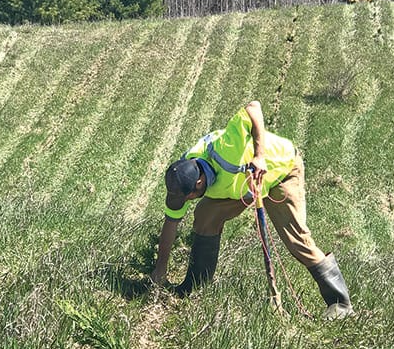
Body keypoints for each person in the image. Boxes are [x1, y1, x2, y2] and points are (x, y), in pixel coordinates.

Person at [151, 100, 353, 318]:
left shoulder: (227, 149)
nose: (184, 201)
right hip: (244, 186)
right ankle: (196, 286)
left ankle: (340, 304)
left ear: (199, 183)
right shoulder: (181, 178)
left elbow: (253, 106)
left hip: (280, 173)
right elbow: (170, 222)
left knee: (297, 240)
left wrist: (259, 156)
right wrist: (160, 268)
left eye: (188, 196)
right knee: (205, 215)